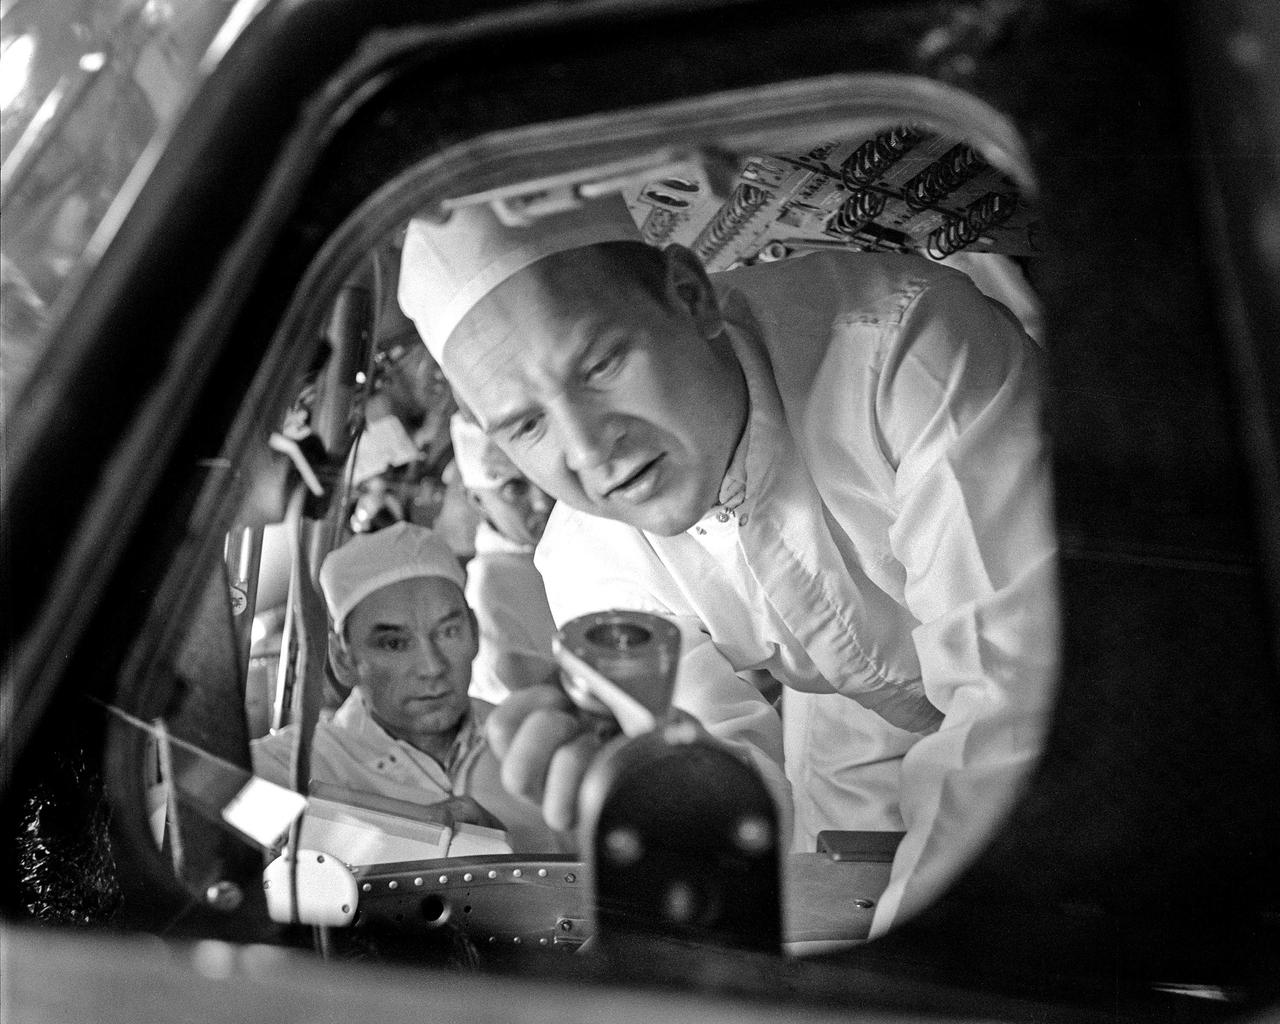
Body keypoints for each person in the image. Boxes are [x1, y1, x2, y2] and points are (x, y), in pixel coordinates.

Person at [397, 195, 1059, 934]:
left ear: (691, 294)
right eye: (526, 424)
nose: (588, 453)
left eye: (601, 364)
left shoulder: (908, 346)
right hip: (850, 707)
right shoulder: (587, 560)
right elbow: (726, 786)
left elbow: (1014, 694)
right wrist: (655, 802)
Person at [251, 522, 563, 853]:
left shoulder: (531, 742)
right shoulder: (299, 762)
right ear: (344, 659)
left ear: (474, 631)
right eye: (395, 644)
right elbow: (213, 798)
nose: (432, 667)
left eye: (448, 632)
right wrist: (420, 827)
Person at [449, 411, 558, 705]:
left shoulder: (570, 542)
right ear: (477, 502)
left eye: (542, 477)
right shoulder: (489, 591)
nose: (542, 501)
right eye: (514, 488)